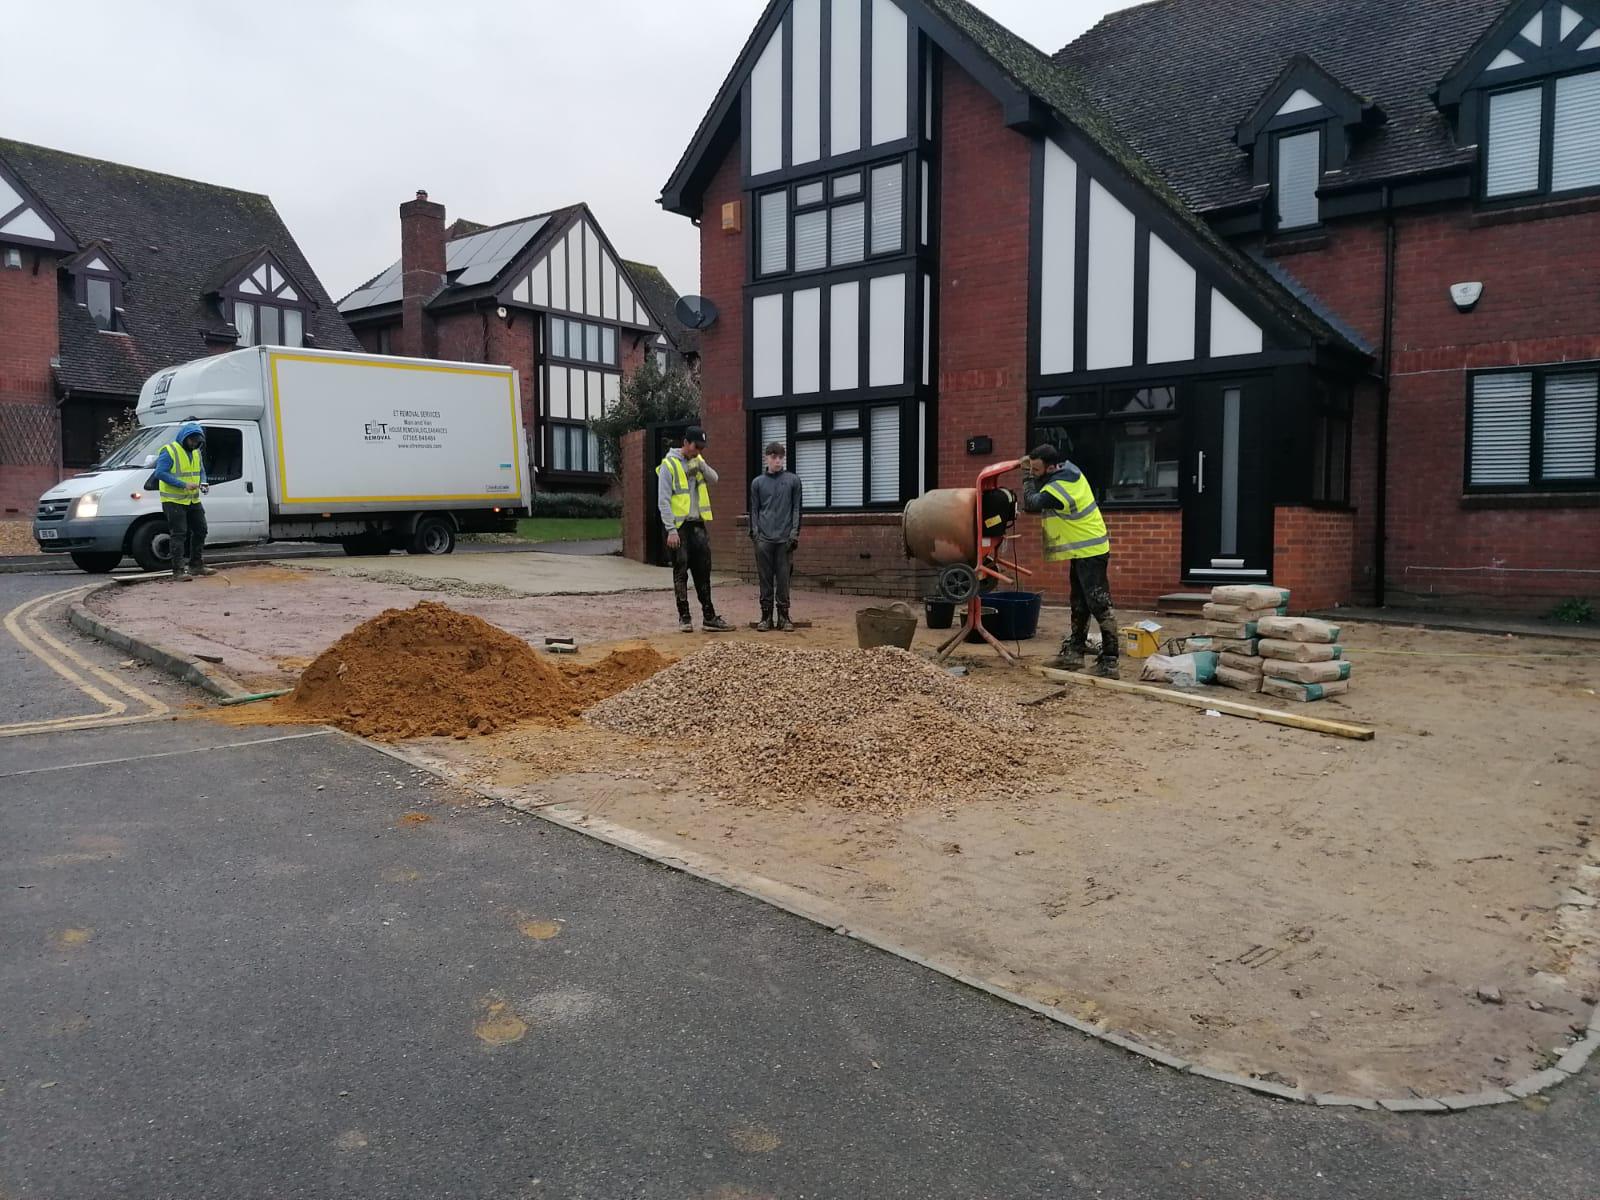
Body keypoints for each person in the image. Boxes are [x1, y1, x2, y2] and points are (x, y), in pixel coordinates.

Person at [1017, 444, 1118, 677]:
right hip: (1081, 549)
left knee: (1100, 605)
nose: (1033, 473)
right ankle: (1074, 653)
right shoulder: (1067, 471)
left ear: (1051, 468)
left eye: (1036, 469)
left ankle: (1110, 662)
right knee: (1079, 603)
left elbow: (1032, 502)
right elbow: (1042, 485)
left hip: (1091, 551)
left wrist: (1025, 476)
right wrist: (1033, 470)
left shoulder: (1061, 487)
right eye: (1031, 469)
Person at [658, 426, 734, 633]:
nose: (699, 450)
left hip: (697, 525)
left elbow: (714, 478)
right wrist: (671, 530)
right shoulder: (669, 464)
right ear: (686, 443)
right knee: (681, 571)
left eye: (702, 448)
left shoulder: (698, 461)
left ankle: (709, 617)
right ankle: (684, 618)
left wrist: (700, 465)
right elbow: (663, 500)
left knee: (703, 571)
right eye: (696, 446)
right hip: (678, 527)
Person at [748, 441, 802, 632]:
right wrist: (755, 533)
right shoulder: (757, 483)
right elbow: (754, 510)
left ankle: (784, 617)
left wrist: (794, 534)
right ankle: (766, 617)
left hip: (784, 539)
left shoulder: (793, 481)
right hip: (764, 539)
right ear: (767, 458)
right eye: (774, 457)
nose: (778, 461)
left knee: (783, 580)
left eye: (780, 457)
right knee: (765, 580)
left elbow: (796, 509)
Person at [153, 420, 214, 581]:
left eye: (197, 442)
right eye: (192, 441)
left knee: (201, 529)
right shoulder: (170, 451)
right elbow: (160, 473)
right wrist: (183, 484)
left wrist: (204, 482)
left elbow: (201, 471)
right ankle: (178, 570)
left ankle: (196, 565)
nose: (194, 444)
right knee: (179, 534)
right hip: (173, 500)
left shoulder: (196, 452)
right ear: (184, 438)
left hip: (192, 499)